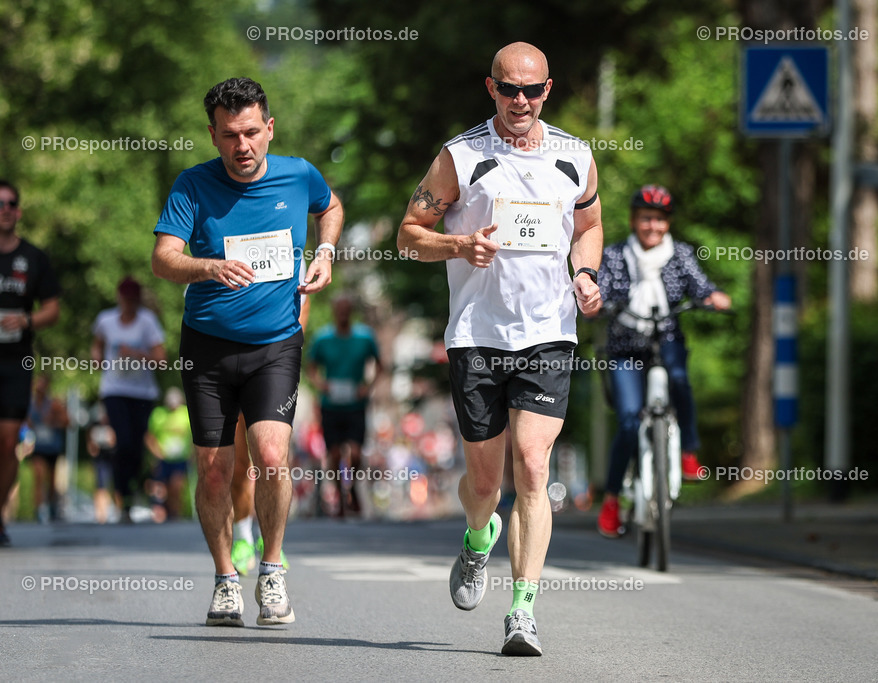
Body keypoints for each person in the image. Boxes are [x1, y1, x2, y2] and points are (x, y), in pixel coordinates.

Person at [397, 42, 602, 656]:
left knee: (533, 467)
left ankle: (522, 612)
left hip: (548, 332)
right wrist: (458, 247)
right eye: (509, 90)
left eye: (532, 91)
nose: (521, 101)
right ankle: (477, 535)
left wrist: (588, 277)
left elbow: (588, 230)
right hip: (478, 335)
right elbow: (409, 235)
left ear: (548, 90)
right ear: (491, 89)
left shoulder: (575, 156)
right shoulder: (461, 157)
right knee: (484, 481)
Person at [152, 77, 342, 628]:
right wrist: (208, 266)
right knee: (213, 469)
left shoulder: (299, 173)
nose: (243, 146)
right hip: (208, 345)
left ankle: (273, 567)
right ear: (213, 134)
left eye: (253, 133)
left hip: (275, 342)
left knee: (273, 456)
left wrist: (326, 250)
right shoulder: (192, 186)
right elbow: (163, 259)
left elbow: (330, 206)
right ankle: (224, 579)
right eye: (231, 135)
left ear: (269, 128)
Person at [594, 185, 731, 538]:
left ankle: (688, 452)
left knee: (681, 379)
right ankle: (612, 500)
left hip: (666, 340)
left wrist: (712, 297)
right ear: (633, 220)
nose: (652, 226)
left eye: (658, 219)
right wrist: (596, 303)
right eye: (645, 219)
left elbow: (700, 287)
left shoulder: (680, 255)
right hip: (624, 348)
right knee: (627, 421)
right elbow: (601, 291)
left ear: (667, 223)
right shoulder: (614, 255)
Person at [0, 179, 61, 545]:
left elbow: (53, 309)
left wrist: (27, 320)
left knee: (7, 444)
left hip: (15, 362)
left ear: (19, 211)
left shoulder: (34, 258)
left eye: (11, 203)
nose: (5, 209)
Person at [230, 292, 310, 575]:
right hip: (232, 356)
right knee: (241, 464)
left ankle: (270, 542)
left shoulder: (293, 252)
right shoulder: (222, 248)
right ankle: (241, 537)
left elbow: (304, 303)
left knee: (272, 459)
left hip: (275, 359)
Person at [91, 276, 166, 523]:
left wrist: (135, 353)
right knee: (122, 442)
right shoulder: (105, 320)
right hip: (114, 389)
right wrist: (96, 358)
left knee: (135, 446)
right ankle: (121, 494)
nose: (129, 305)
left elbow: (161, 359)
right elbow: (97, 344)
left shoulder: (148, 322)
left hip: (142, 393)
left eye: (134, 300)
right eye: (126, 300)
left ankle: (133, 489)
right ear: (119, 298)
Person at [307, 295, 382, 518]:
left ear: (351, 311)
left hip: (356, 404)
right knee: (335, 453)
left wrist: (367, 387)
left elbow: (380, 365)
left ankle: (353, 489)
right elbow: (311, 368)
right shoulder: (322, 338)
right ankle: (340, 495)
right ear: (334, 311)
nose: (342, 314)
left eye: (346, 309)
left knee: (356, 453)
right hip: (330, 404)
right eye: (338, 309)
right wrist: (321, 384)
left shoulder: (365, 337)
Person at [144, 387, 193, 521]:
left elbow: (194, 435)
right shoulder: (158, 414)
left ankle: (175, 514)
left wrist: (192, 452)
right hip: (163, 458)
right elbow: (149, 436)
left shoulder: (186, 413)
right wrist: (156, 452)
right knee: (160, 488)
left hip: (180, 458)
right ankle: (163, 513)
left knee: (176, 486)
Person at [26, 374, 69, 523]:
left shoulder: (54, 404)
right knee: (38, 476)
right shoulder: (30, 404)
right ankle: (38, 510)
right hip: (38, 446)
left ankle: (52, 507)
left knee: (51, 480)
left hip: (52, 446)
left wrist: (54, 420)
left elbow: (68, 422)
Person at [86, 403, 119, 523]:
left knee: (116, 485)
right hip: (100, 459)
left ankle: (120, 512)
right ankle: (101, 515)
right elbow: (90, 442)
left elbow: (115, 441)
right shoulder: (94, 422)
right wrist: (93, 447)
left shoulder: (114, 420)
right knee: (100, 486)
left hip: (113, 457)